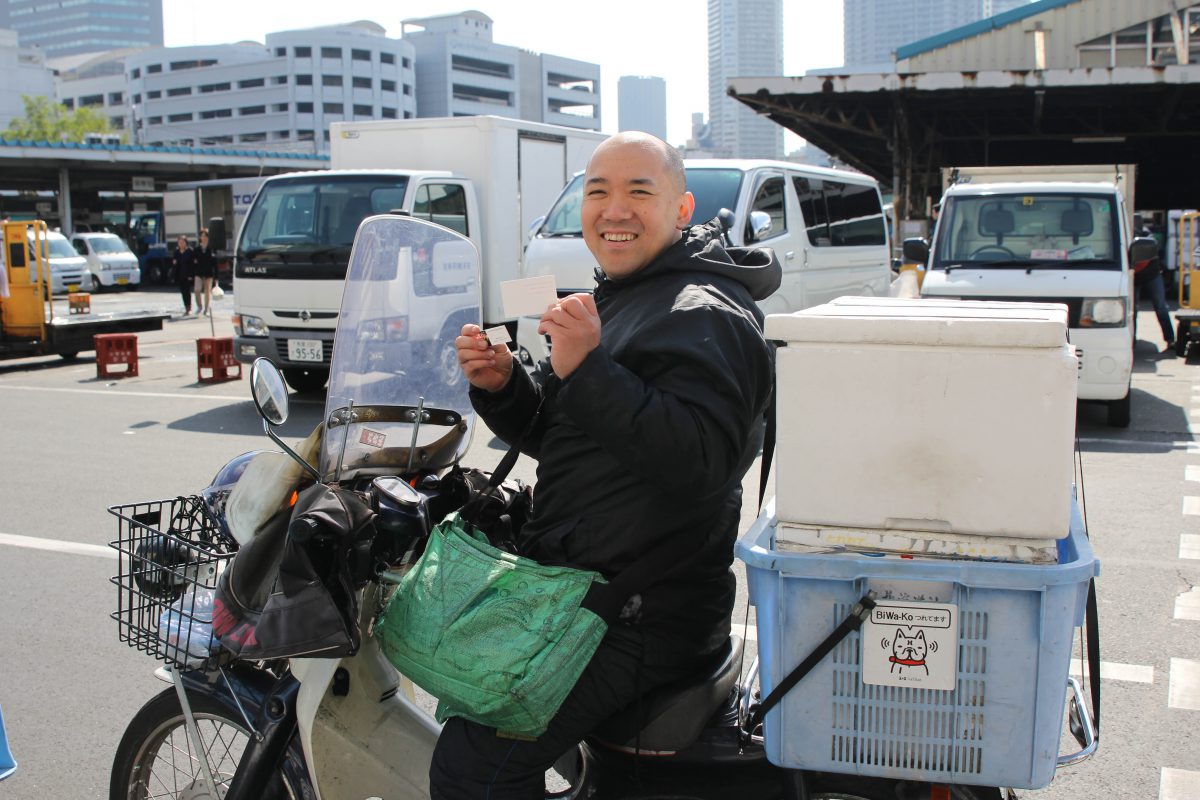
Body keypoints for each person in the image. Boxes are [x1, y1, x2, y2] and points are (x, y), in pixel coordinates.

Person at [440, 132, 780, 799]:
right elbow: (586, 440)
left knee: (474, 764)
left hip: (640, 616)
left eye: (638, 192)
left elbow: (701, 462)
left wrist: (589, 369)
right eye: (598, 192)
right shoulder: (634, 292)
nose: (613, 209)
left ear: (681, 209)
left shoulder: (705, 312)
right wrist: (506, 385)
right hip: (590, 593)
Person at [1134, 226, 1174, 354]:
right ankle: (1130, 341)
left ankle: (1170, 340)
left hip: (1152, 275)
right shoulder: (1122, 233)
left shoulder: (1145, 235)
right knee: (1131, 310)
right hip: (1133, 277)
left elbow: (1142, 260)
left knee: (1161, 306)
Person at [193, 228, 217, 316]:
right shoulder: (196, 249)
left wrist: (216, 277)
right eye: (202, 236)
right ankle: (199, 306)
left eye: (205, 236)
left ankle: (206, 309)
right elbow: (194, 261)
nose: (203, 238)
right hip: (198, 272)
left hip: (208, 273)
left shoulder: (211, 249)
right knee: (197, 289)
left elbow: (215, 264)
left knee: (207, 291)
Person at [172, 235, 195, 315]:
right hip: (180, 274)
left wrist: (191, 275)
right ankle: (186, 307)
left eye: (183, 242)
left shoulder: (190, 251)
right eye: (179, 242)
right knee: (183, 292)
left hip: (187, 274)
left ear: (186, 243)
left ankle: (189, 308)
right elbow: (174, 262)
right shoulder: (176, 252)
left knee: (187, 291)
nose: (181, 244)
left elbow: (192, 264)